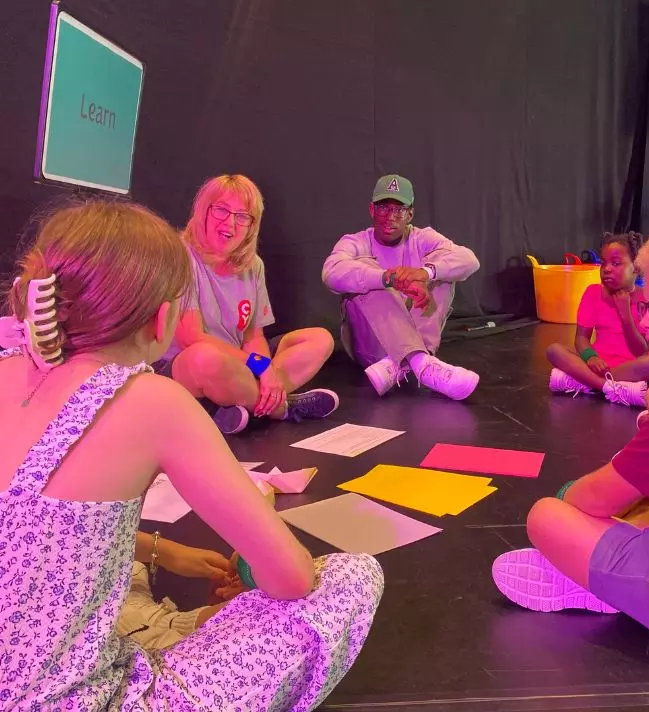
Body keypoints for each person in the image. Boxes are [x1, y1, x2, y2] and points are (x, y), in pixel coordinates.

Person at [0, 200, 383, 709]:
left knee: (118, 573)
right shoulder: (149, 400)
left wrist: (165, 552)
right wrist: (253, 581)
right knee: (351, 578)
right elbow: (291, 578)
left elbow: (31, 529)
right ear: (163, 320)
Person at [491, 216, 649, 659]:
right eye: (645, 305)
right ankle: (612, 389)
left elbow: (584, 501)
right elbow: (581, 341)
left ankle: (600, 586)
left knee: (547, 514)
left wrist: (570, 491)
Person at [158, 175, 340, 434]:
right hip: (182, 368)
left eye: (243, 216)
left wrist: (265, 372)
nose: (230, 222)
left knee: (320, 339)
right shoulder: (179, 256)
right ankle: (283, 408)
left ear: (251, 226)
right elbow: (192, 339)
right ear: (203, 211)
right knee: (204, 358)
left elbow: (254, 336)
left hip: (238, 364)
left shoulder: (253, 266)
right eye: (221, 210)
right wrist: (260, 367)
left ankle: (241, 403)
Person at [322, 174, 481, 401]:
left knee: (442, 273)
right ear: (371, 210)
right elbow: (331, 273)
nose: (391, 217)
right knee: (364, 271)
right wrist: (386, 278)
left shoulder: (422, 237)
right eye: (384, 208)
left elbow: (469, 260)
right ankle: (421, 364)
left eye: (399, 210)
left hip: (401, 348)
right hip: (371, 347)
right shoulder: (356, 241)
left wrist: (425, 273)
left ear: (410, 214)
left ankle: (407, 363)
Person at [547, 231, 649, 408]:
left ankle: (585, 381)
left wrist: (625, 315)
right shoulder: (593, 293)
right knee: (554, 350)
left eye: (615, 263)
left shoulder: (647, 299)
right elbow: (582, 338)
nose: (606, 269)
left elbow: (642, 351)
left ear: (636, 267)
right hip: (598, 364)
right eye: (604, 263)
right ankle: (611, 388)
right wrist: (591, 357)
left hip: (629, 368)